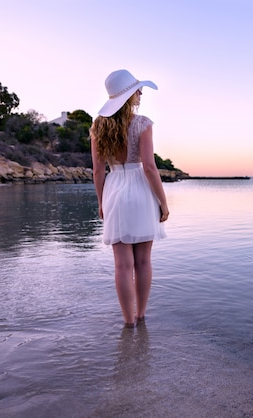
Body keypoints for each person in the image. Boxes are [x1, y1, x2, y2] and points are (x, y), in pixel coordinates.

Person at [90, 69, 169, 328]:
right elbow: (149, 167)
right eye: (137, 89)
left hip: (114, 189)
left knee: (122, 265)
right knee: (143, 261)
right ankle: (141, 315)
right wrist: (164, 202)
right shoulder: (142, 123)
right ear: (128, 95)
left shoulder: (97, 127)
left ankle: (127, 322)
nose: (141, 92)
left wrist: (101, 202)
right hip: (140, 190)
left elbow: (98, 170)